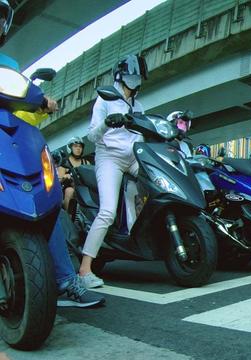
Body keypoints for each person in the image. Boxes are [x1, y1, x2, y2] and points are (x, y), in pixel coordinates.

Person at [0, 0, 104, 308]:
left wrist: (42, 101)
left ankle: (65, 279)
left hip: (7, 133)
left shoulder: (7, 64)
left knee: (42, 201)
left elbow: (20, 99)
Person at [79, 54, 148, 289]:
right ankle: (85, 269)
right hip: (109, 158)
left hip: (134, 158)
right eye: (131, 75)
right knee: (107, 211)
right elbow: (91, 136)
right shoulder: (105, 100)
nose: (135, 80)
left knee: (161, 187)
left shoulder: (138, 105)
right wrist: (108, 122)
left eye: (138, 76)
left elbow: (142, 135)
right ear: (120, 76)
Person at [58, 136, 91, 212]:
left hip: (84, 189)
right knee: (69, 191)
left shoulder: (86, 163)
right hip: (70, 190)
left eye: (80, 146)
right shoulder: (64, 163)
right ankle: (69, 217)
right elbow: (58, 181)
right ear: (70, 148)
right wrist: (64, 177)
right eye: (75, 146)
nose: (78, 148)